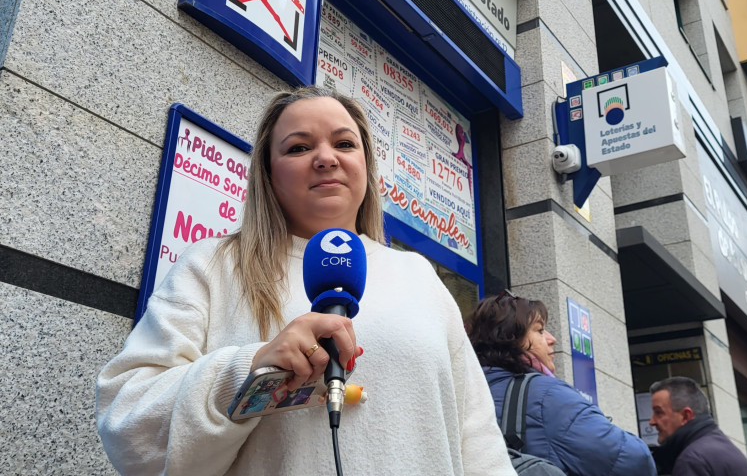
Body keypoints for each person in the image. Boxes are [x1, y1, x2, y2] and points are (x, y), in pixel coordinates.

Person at [96, 86, 514, 475]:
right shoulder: (214, 266)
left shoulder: (418, 275)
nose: (326, 158)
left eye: (345, 143)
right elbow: (126, 423)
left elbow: (478, 441)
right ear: (268, 174)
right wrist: (251, 369)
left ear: (366, 166)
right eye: (299, 147)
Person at [465, 291, 656, 476]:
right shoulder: (546, 395)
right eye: (539, 330)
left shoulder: (466, 393)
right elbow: (634, 461)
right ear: (510, 338)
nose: (552, 339)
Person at [649, 376, 747, 475]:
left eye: (659, 412)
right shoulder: (721, 447)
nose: (652, 421)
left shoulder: (693, 460)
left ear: (686, 416)